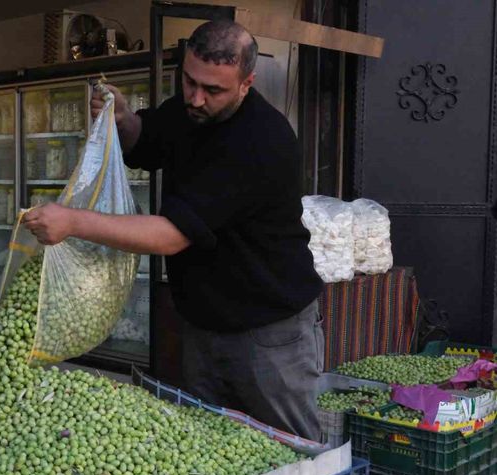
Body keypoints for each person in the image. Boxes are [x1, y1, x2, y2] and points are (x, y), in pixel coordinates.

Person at [22, 19, 325, 441]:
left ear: (246, 83)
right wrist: (124, 117)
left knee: (289, 451)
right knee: (207, 446)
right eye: (189, 81)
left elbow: (170, 235)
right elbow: (148, 139)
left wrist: (73, 222)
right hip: (203, 323)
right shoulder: (190, 112)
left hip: (268, 332)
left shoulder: (261, 141)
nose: (197, 98)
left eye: (213, 90)